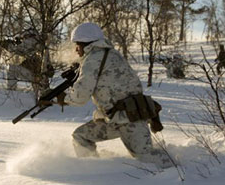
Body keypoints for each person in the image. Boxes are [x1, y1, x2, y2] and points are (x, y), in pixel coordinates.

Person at [52, 22, 172, 168]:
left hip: (130, 118)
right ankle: (92, 171)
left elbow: (80, 97)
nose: (76, 50)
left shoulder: (92, 60)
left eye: (77, 45)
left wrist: (62, 99)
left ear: (86, 44)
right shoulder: (111, 53)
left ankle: (183, 172)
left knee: (146, 158)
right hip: (117, 117)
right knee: (81, 136)